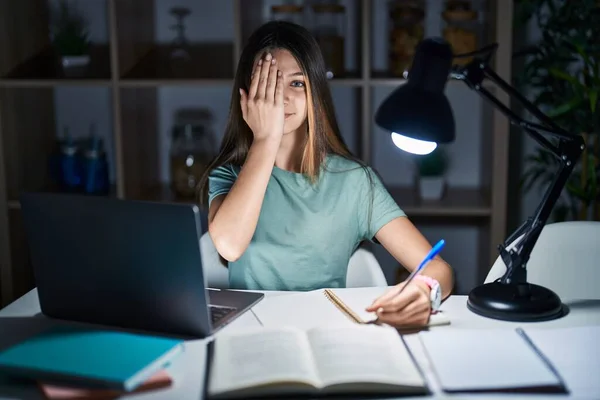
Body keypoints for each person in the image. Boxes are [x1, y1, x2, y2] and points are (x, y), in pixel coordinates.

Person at [198, 21, 454, 328]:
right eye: (268, 84)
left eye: (296, 84)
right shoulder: (228, 176)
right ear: (246, 94)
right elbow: (229, 245)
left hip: (329, 332)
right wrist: (266, 139)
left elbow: (440, 269)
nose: (282, 99)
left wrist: (425, 292)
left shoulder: (356, 182)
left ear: (314, 92)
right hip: (252, 332)